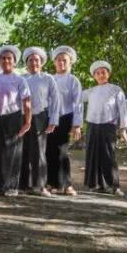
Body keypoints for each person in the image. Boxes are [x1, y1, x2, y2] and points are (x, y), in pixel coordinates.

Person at [0, 46, 32, 196]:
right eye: (3, 58)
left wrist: (27, 122)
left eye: (9, 58)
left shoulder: (20, 80)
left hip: (14, 118)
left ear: (14, 62)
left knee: (12, 152)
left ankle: (11, 187)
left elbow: (27, 102)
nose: (6, 61)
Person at [82, 61, 127, 195]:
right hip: (92, 125)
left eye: (103, 72)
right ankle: (95, 185)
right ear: (94, 76)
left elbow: (122, 109)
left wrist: (123, 129)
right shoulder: (90, 91)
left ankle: (114, 186)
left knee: (108, 155)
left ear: (109, 74)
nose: (101, 75)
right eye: (97, 73)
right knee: (92, 154)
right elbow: (75, 97)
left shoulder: (116, 89)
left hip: (108, 125)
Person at [20, 47, 60, 196]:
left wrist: (53, 120)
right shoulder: (21, 78)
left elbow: (55, 100)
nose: (33, 63)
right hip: (22, 117)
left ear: (41, 62)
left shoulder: (48, 78)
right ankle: (23, 185)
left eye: (36, 60)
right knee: (23, 151)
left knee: (38, 151)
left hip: (40, 117)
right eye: (30, 60)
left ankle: (41, 186)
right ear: (26, 63)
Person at [47, 45, 82, 196]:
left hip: (66, 118)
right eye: (59, 60)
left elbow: (78, 103)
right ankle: (52, 183)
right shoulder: (50, 79)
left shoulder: (73, 80)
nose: (61, 62)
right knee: (49, 151)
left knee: (62, 151)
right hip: (49, 119)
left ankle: (67, 184)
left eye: (64, 60)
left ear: (70, 62)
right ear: (54, 62)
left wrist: (77, 125)